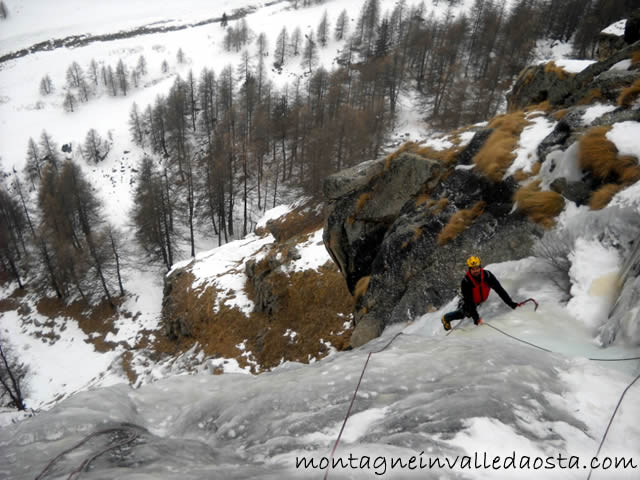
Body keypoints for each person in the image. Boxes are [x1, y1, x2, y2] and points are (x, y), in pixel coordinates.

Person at [441, 255, 519, 331]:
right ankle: (446, 318)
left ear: (480, 267)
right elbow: (469, 301)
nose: (475, 271)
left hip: (480, 298)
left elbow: (500, 290)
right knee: (465, 313)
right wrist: (476, 319)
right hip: (469, 300)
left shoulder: (487, 276)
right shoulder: (466, 282)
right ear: (469, 269)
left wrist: (512, 304)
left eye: (477, 268)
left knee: (471, 311)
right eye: (473, 269)